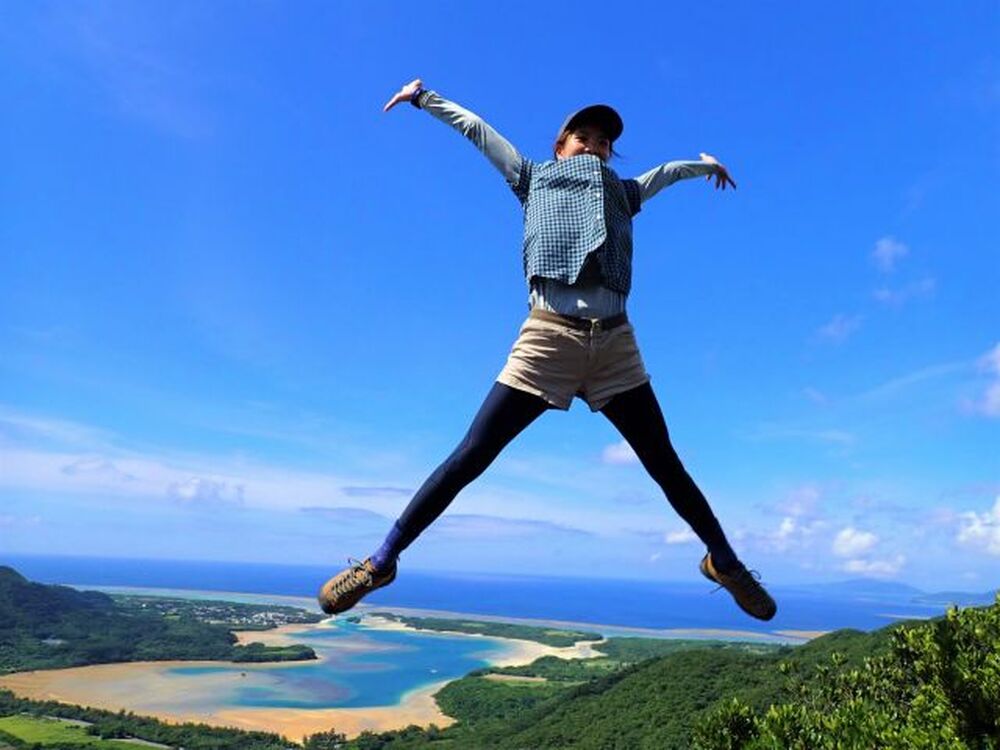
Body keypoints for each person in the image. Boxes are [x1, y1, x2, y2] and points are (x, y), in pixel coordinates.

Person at [318, 79, 777, 622]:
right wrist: (423, 98)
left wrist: (706, 166)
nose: (594, 146)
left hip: (614, 344)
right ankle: (381, 561)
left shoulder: (624, 193)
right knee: (472, 454)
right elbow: (478, 131)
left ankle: (724, 562)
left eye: (604, 143)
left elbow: (667, 173)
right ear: (560, 147)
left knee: (664, 461)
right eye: (583, 138)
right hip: (548, 339)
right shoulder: (531, 177)